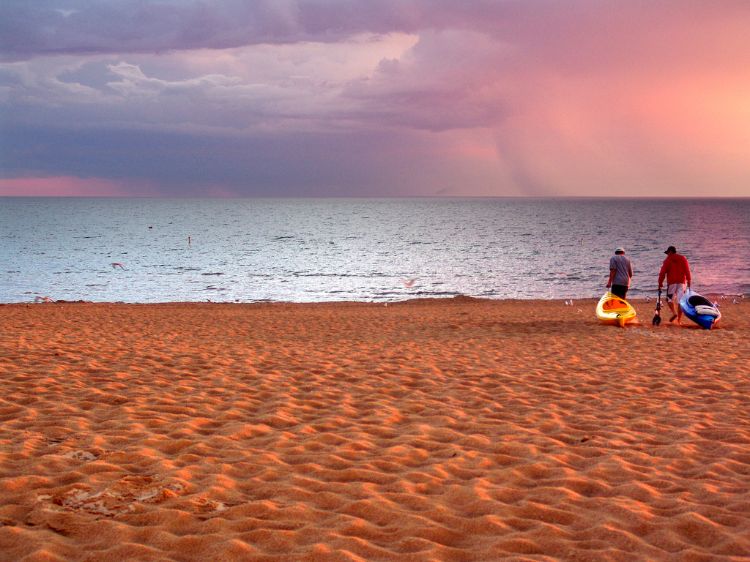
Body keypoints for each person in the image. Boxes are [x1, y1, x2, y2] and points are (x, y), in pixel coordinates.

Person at [658, 245, 692, 324]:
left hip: (672, 283)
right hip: (682, 282)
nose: (667, 255)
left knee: (669, 299)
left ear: (670, 252)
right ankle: (679, 321)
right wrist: (689, 280)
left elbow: (662, 273)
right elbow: (687, 270)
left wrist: (660, 283)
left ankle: (674, 313)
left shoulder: (668, 260)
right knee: (680, 301)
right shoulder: (683, 258)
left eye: (667, 253)